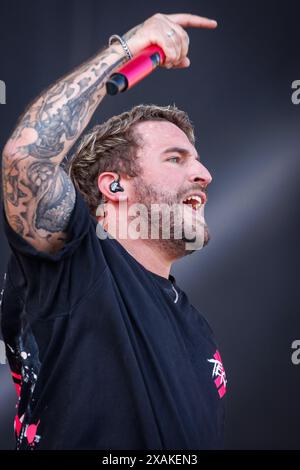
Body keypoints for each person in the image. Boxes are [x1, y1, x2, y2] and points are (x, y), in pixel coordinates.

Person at [1, 12, 227, 450]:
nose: (204, 174)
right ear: (115, 185)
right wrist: (129, 46)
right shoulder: (74, 267)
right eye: (176, 158)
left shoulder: (199, 332)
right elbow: (26, 158)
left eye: (197, 160)